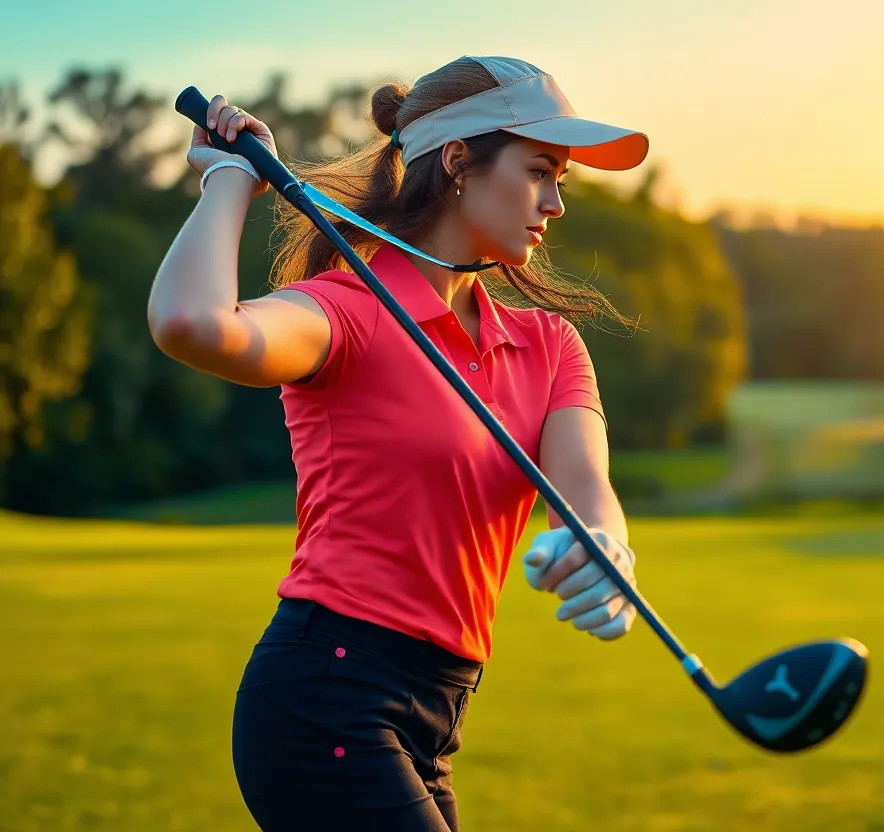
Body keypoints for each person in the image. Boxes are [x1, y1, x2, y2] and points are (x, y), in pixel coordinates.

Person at [147, 55, 647, 831]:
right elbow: (191, 324)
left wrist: (604, 549)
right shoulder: (345, 310)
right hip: (326, 695)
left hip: (437, 710)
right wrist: (228, 181)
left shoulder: (550, 345)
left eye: (563, 180)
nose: (555, 201)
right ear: (458, 163)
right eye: (540, 170)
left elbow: (584, 490)